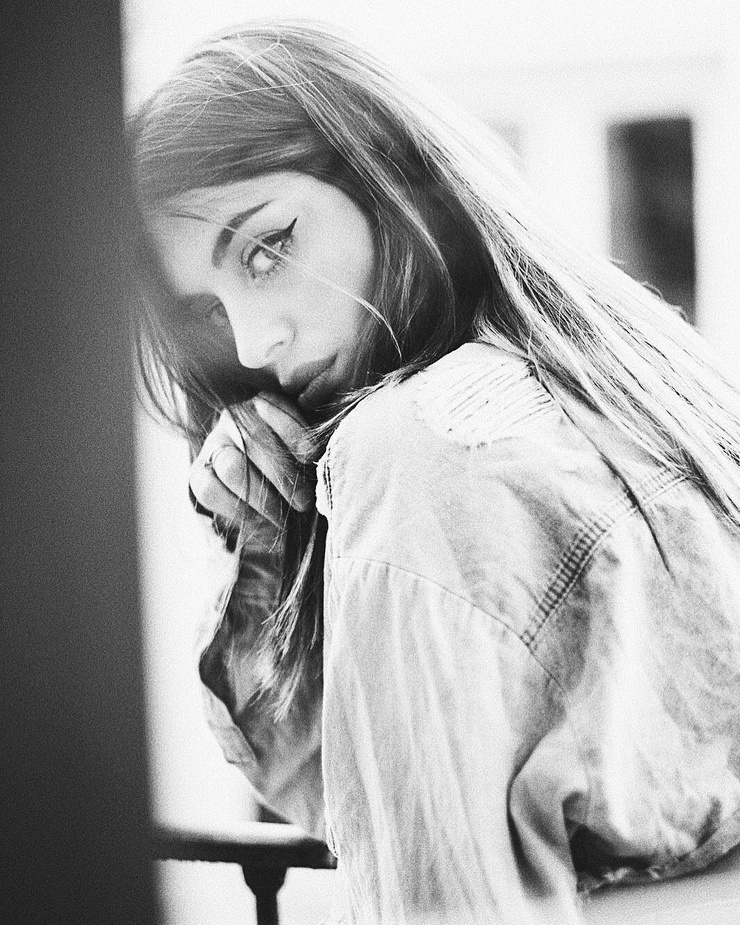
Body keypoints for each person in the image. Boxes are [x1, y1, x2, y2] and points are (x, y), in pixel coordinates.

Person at [131, 20, 740, 924]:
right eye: (211, 315)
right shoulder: (613, 382)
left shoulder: (417, 450)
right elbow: (351, 795)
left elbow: (425, 893)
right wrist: (270, 540)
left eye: (267, 248)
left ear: (382, 171)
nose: (255, 345)